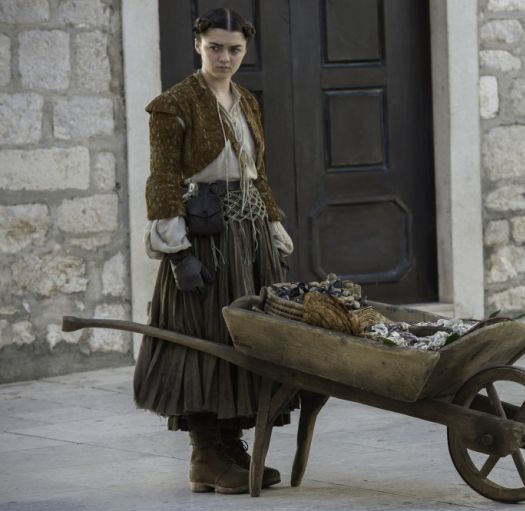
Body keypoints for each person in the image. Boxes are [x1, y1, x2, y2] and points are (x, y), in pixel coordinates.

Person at [133, 8, 294, 494]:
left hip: (248, 237)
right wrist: (178, 254)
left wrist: (274, 231)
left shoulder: (246, 101)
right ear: (198, 45)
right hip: (205, 238)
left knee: (245, 340)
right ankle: (205, 454)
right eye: (215, 47)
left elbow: (257, 173)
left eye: (235, 49)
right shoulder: (173, 104)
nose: (225, 57)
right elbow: (163, 178)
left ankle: (231, 447)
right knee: (204, 337)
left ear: (245, 50)